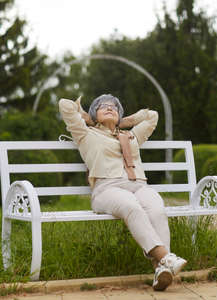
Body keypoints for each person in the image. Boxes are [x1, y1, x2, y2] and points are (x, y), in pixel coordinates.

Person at [58, 94, 187, 291]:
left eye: (114, 107)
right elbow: (64, 105)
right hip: (106, 189)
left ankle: (161, 270)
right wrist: (89, 117)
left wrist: (124, 121)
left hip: (138, 186)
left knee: (157, 208)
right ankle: (166, 257)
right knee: (131, 206)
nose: (109, 108)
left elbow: (152, 116)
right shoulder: (85, 133)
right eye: (103, 107)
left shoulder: (132, 136)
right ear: (93, 114)